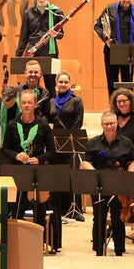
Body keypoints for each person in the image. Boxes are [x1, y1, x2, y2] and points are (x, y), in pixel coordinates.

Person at [1, 89, 60, 251]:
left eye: (29, 102)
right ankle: (15, 242)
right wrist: (16, 155)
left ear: (35, 104)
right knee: (16, 209)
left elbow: (52, 151)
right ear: (21, 104)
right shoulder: (13, 125)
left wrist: (39, 159)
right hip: (18, 172)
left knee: (39, 209)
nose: (27, 105)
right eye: (24, 102)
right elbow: (4, 148)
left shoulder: (42, 124)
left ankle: (38, 242)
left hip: (37, 172)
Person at [82, 111, 134, 256]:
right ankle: (98, 250)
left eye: (112, 123)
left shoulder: (126, 142)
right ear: (102, 125)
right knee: (98, 217)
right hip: (99, 185)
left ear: (117, 124)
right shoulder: (93, 142)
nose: (109, 126)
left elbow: (132, 161)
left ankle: (119, 250)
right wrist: (95, 174)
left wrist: (130, 174)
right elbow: (86, 161)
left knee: (117, 218)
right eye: (106, 124)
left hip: (119, 185)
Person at [93, 0, 134, 98]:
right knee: (112, 83)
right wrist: (106, 39)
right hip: (111, 51)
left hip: (129, 54)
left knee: (128, 84)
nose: (126, 0)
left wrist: (132, 48)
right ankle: (113, 111)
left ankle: (128, 112)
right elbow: (97, 26)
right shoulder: (109, 9)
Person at [16, 0, 65, 96]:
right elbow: (24, 35)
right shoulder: (28, 13)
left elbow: (61, 34)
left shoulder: (57, 12)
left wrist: (55, 34)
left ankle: (51, 112)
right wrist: (19, 55)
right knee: (33, 86)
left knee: (51, 87)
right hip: (34, 53)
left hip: (51, 53)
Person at [49, 71, 85, 221]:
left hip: (70, 143)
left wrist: (70, 136)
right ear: (56, 84)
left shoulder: (76, 100)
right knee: (57, 176)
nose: (62, 85)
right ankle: (60, 208)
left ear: (70, 84)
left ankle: (73, 207)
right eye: (60, 82)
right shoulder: (51, 101)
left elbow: (78, 121)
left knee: (70, 175)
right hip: (54, 143)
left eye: (65, 82)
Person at [111, 87, 134, 188]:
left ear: (131, 102)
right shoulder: (112, 119)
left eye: (124, 101)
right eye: (119, 101)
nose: (122, 104)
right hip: (117, 165)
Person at [0, 85, 20, 174]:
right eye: (5, 103)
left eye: (10, 103)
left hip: (19, 144)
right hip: (3, 145)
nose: (7, 105)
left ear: (16, 98)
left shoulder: (22, 104)